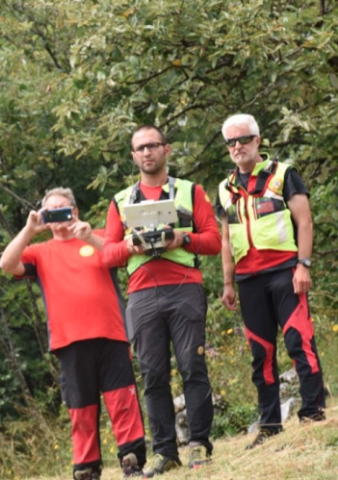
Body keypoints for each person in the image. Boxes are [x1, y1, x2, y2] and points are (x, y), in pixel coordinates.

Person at [0, 187, 147, 480]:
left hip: (111, 333)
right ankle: (86, 469)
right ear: (44, 217)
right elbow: (6, 265)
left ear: (75, 211)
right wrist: (30, 230)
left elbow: (121, 255)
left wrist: (88, 235)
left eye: (63, 209)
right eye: (50, 211)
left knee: (122, 401)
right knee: (81, 408)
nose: (58, 216)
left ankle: (132, 462)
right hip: (69, 341)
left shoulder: (99, 236)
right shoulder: (39, 252)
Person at [102, 125, 221, 477]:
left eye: (152, 145)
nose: (146, 153)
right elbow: (107, 254)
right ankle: (165, 451)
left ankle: (199, 443)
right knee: (152, 374)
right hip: (140, 294)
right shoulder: (120, 200)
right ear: (133, 156)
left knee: (192, 366)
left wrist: (181, 239)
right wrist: (130, 247)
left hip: (184, 287)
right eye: (139, 148)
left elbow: (213, 241)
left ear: (166, 150)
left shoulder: (190, 190)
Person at [216, 113, 326, 449]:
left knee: (299, 343)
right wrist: (228, 283)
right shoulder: (224, 188)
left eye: (244, 139)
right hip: (247, 280)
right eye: (231, 142)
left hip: (284, 272)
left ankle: (313, 414)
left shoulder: (283, 174)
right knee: (260, 354)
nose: (238, 146)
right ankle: (269, 425)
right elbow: (224, 240)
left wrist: (303, 266)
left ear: (257, 141)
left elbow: (304, 222)